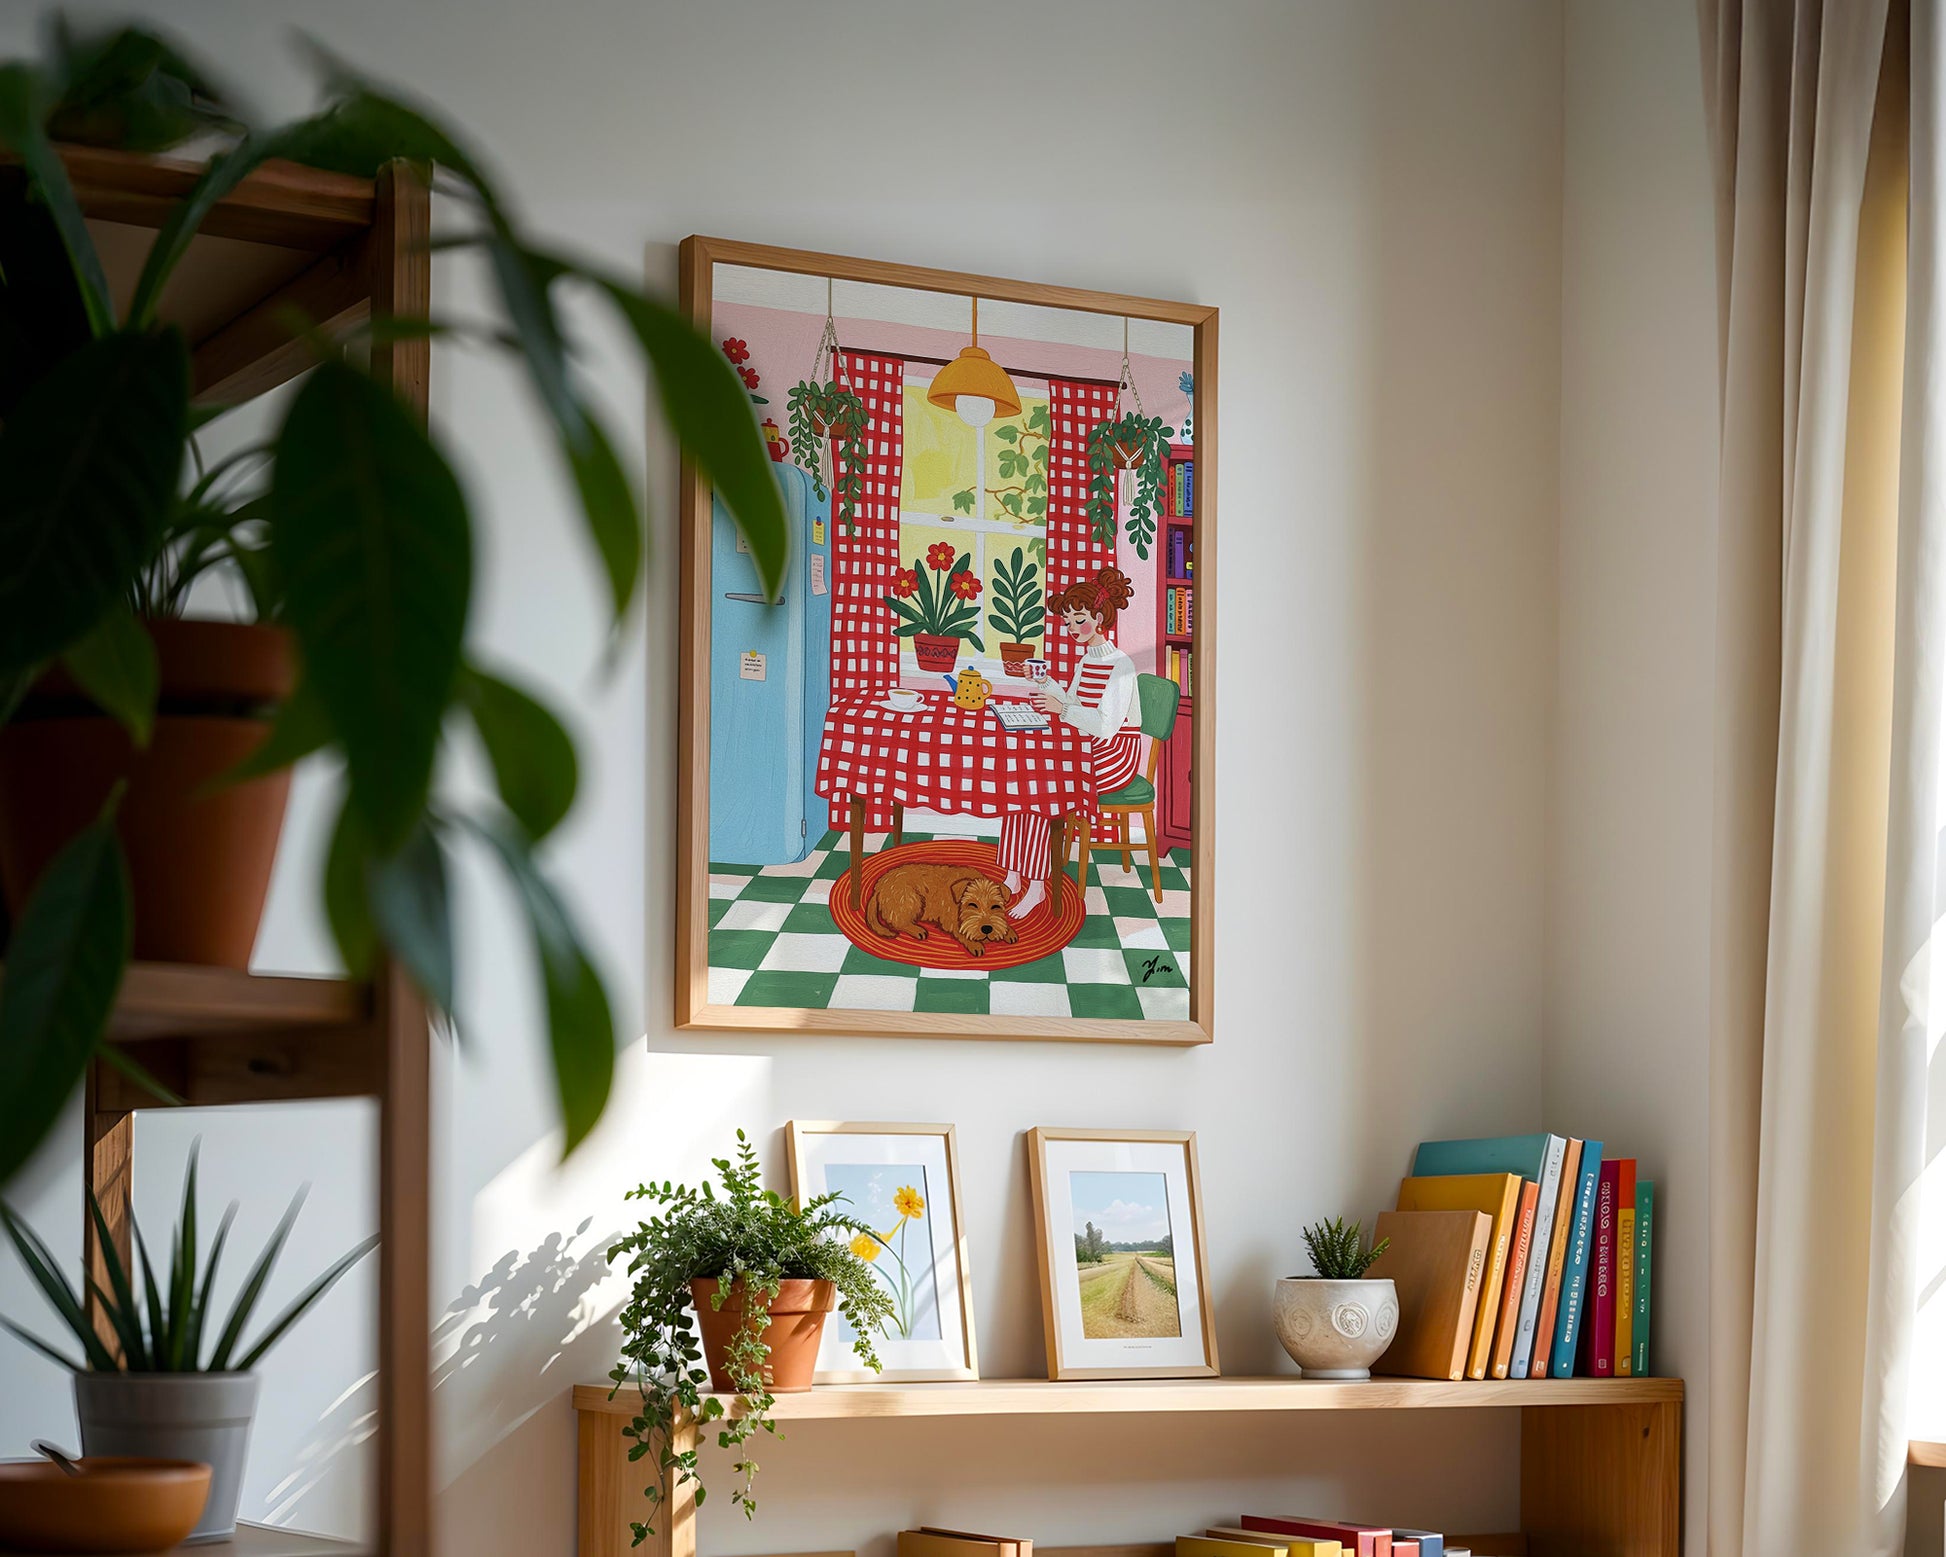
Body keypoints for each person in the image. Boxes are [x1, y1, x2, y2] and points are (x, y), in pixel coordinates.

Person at [997, 566, 1145, 919]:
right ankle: (1013, 874)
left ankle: (1035, 886)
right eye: (1068, 622)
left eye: (1079, 620)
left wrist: (1061, 708)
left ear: (1099, 616)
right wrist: (1048, 683)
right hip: (1088, 745)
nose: (1073, 629)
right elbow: (1077, 706)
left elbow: (1107, 727)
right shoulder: (1086, 660)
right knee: (1022, 775)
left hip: (1114, 754)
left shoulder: (1120, 664)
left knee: (1041, 786)